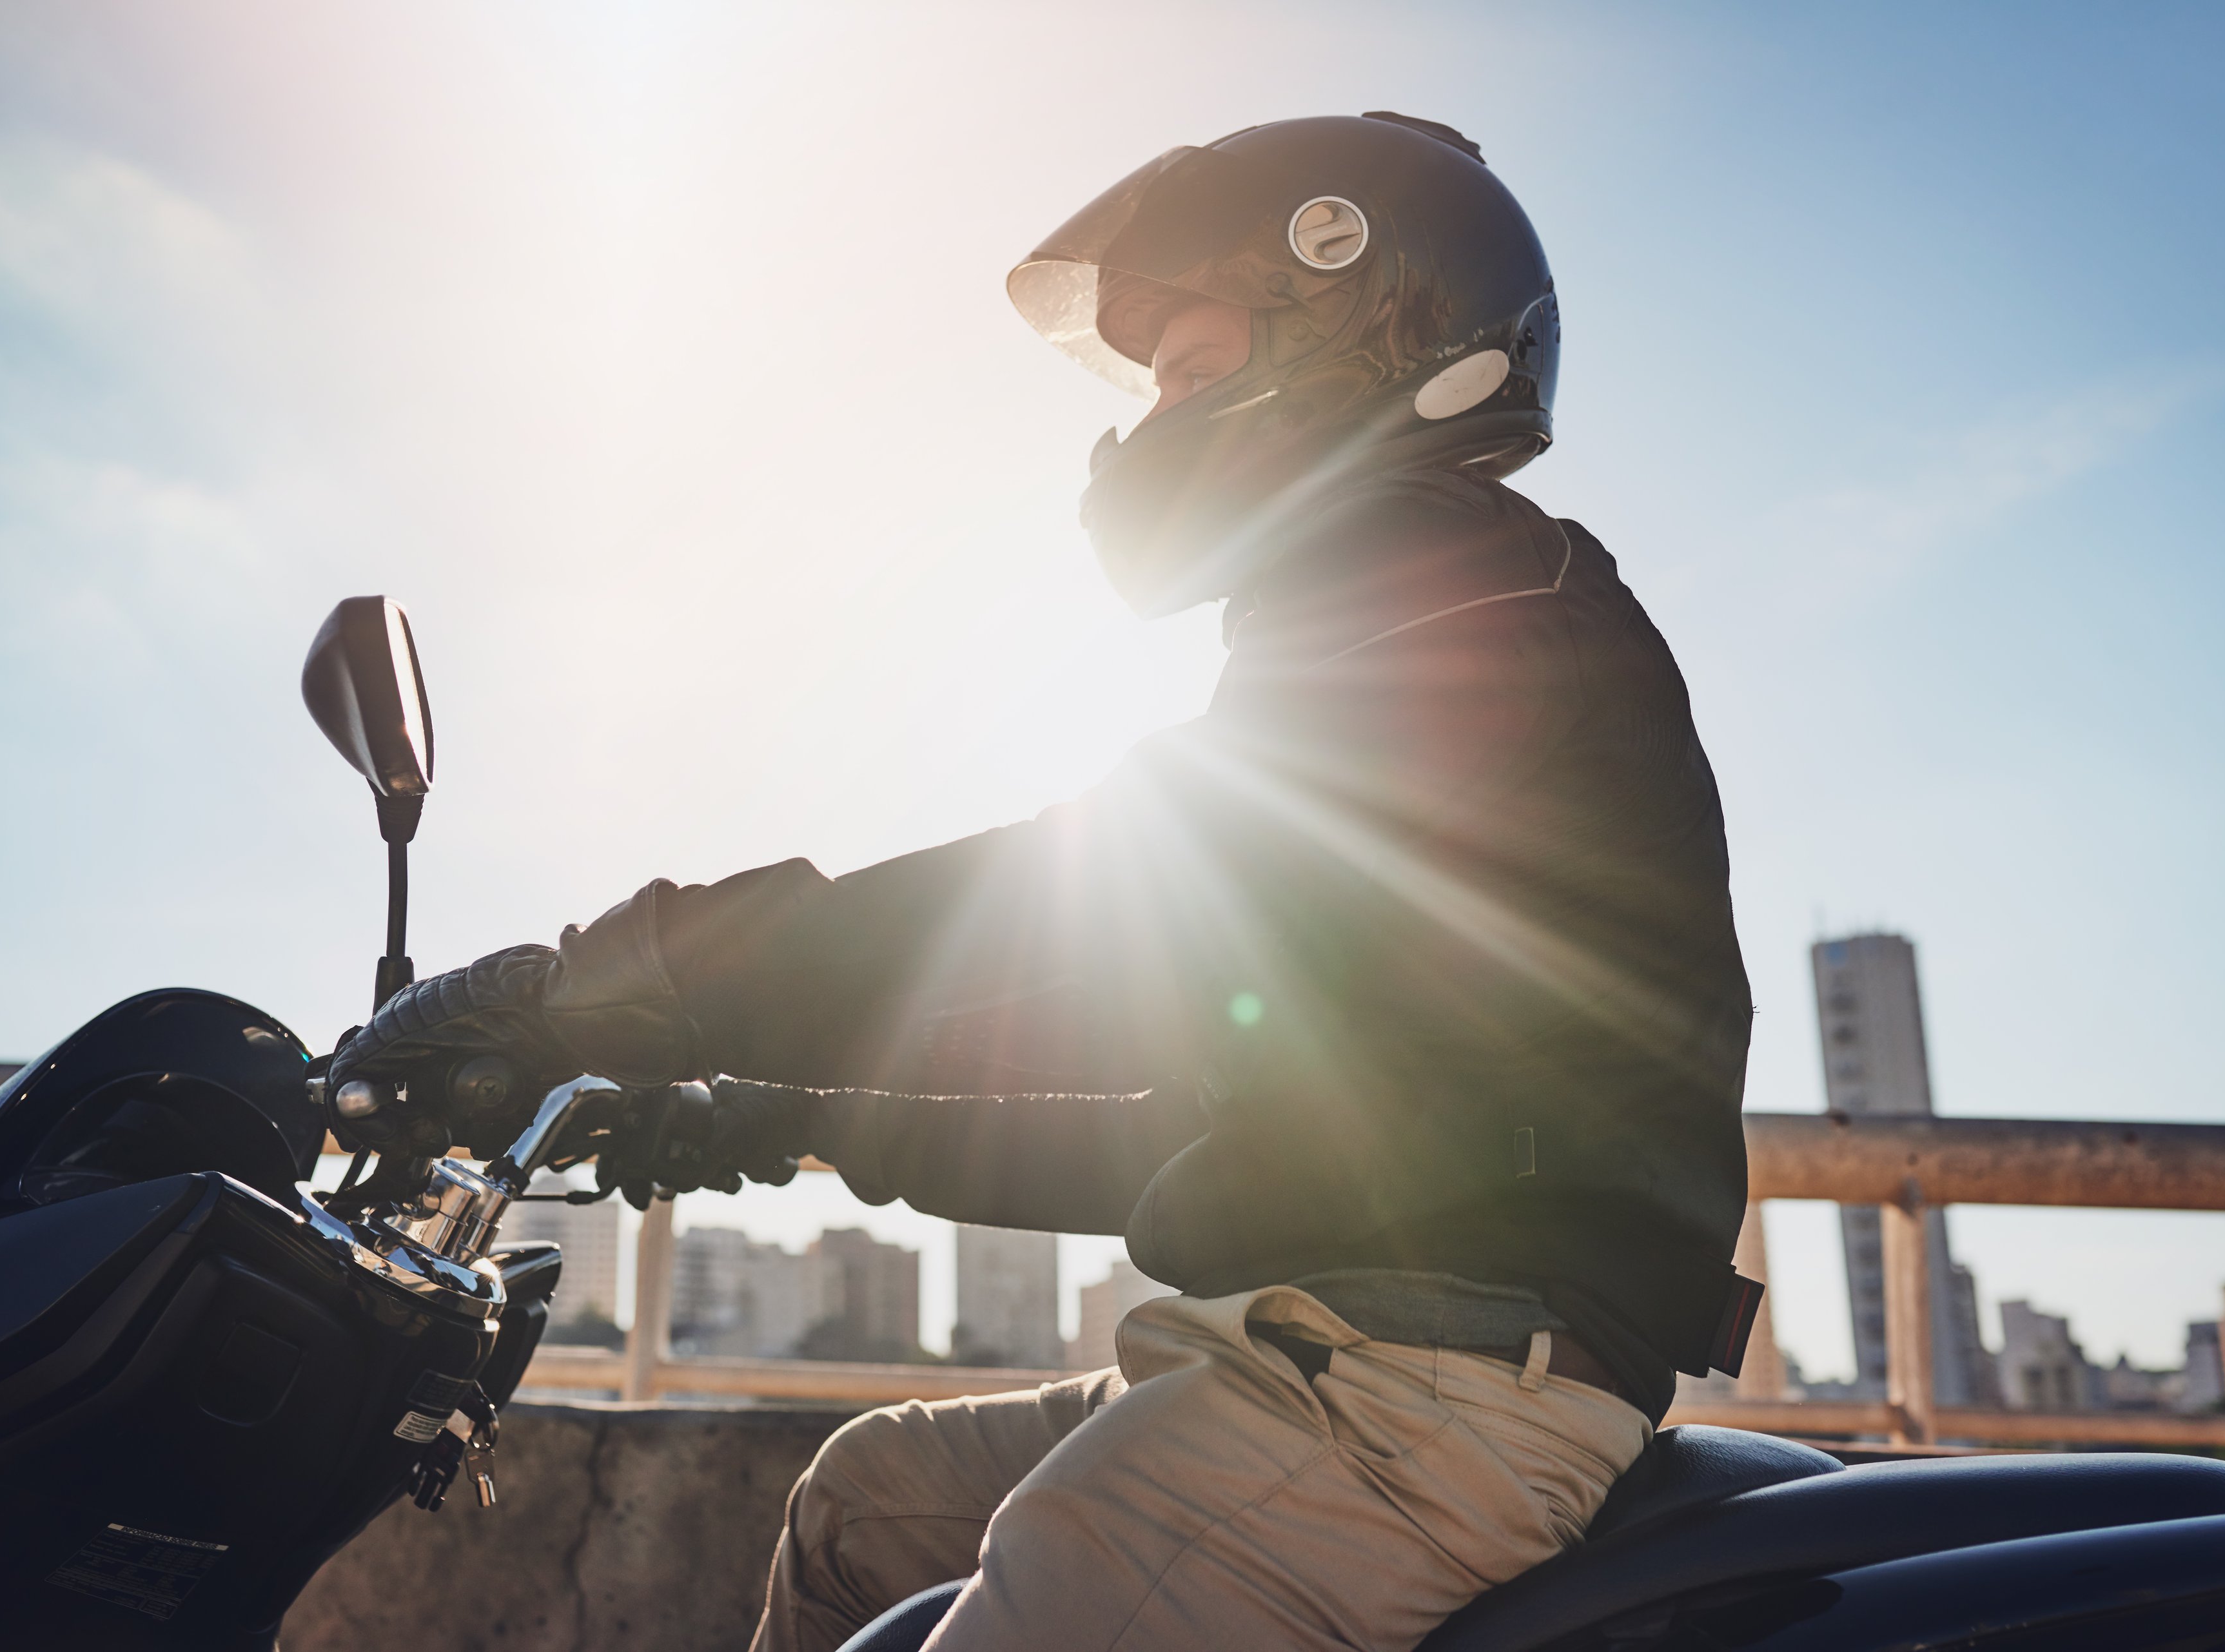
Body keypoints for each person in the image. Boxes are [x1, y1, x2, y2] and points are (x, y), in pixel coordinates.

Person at [328, 112, 1758, 1652]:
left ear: (1362, 336)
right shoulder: (1370, 620)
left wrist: (607, 983)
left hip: (1435, 1392)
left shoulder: (1462, 597)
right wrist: (749, 1116)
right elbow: (1164, 1102)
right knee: (868, 1502)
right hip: (1311, 1348)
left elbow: (1099, 903)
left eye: (1198, 373)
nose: (1151, 432)